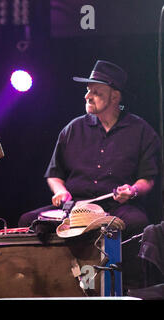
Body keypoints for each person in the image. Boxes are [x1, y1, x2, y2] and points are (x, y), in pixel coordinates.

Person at [18, 60, 161, 290]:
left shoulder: (142, 131)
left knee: (137, 222)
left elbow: (148, 179)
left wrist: (133, 190)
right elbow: (54, 175)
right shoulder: (72, 129)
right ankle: (48, 284)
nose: (87, 96)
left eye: (96, 92)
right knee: (29, 221)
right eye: (87, 90)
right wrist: (60, 191)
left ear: (115, 97)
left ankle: (125, 288)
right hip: (75, 206)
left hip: (115, 206)